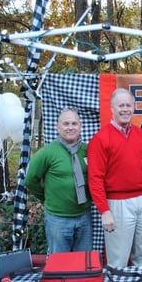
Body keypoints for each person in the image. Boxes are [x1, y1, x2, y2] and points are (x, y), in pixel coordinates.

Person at [87, 88, 142, 267]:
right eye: (120, 105)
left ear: (134, 107)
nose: (125, 109)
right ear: (112, 109)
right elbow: (95, 178)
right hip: (117, 204)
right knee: (118, 258)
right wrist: (104, 210)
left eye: (128, 105)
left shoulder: (139, 134)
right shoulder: (100, 139)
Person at [25, 108, 92, 253]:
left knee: (83, 262)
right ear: (58, 126)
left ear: (80, 126)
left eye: (74, 123)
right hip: (58, 219)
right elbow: (30, 180)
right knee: (59, 264)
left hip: (84, 216)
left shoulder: (88, 150)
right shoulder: (47, 152)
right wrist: (47, 198)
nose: (70, 127)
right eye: (66, 123)